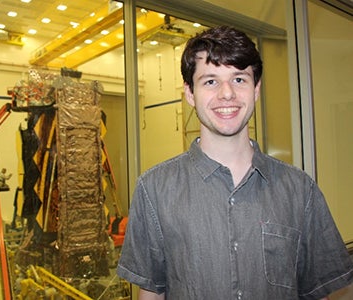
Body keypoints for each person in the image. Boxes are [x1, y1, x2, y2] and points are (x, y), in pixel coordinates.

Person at [116, 26, 353, 299]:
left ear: (256, 90)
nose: (227, 93)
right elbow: (151, 294)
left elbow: (317, 292)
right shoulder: (154, 189)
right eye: (210, 81)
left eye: (239, 79)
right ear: (190, 93)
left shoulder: (300, 190)